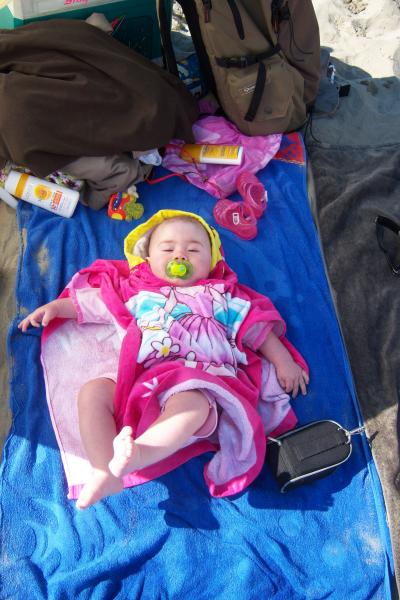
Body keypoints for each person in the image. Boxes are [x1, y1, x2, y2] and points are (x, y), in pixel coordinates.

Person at [19, 210, 309, 509]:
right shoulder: (138, 294)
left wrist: (284, 362)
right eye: (168, 249)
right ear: (147, 259)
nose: (180, 255)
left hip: (200, 377)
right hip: (143, 380)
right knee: (92, 392)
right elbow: (100, 304)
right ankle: (104, 470)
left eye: (193, 250)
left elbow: (255, 329)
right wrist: (58, 308)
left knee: (191, 404)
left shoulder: (221, 295)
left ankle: (141, 453)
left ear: (212, 261)